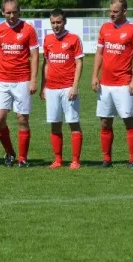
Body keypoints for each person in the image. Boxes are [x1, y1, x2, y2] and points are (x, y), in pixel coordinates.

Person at [91, 0, 133, 168]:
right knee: (105, 122)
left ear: (124, 12)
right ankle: (107, 160)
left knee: (128, 120)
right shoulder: (105, 28)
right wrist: (94, 76)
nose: (112, 14)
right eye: (110, 11)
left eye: (115, 12)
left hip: (123, 83)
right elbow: (99, 53)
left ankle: (132, 160)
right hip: (105, 84)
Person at [0, 0, 39, 168]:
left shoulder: (28, 29)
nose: (11, 15)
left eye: (14, 11)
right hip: (3, 81)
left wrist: (33, 80)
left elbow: (34, 56)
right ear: (3, 12)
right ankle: (10, 152)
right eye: (8, 12)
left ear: (20, 11)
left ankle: (23, 158)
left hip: (22, 81)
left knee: (22, 119)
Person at [40, 9, 84, 169]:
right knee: (55, 124)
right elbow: (46, 63)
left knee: (73, 123)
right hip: (51, 88)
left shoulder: (73, 39)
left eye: (58, 22)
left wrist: (74, 86)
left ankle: (75, 160)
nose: (56, 25)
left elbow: (79, 63)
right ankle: (58, 160)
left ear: (64, 22)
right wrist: (43, 86)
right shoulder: (48, 39)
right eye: (53, 22)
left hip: (68, 88)